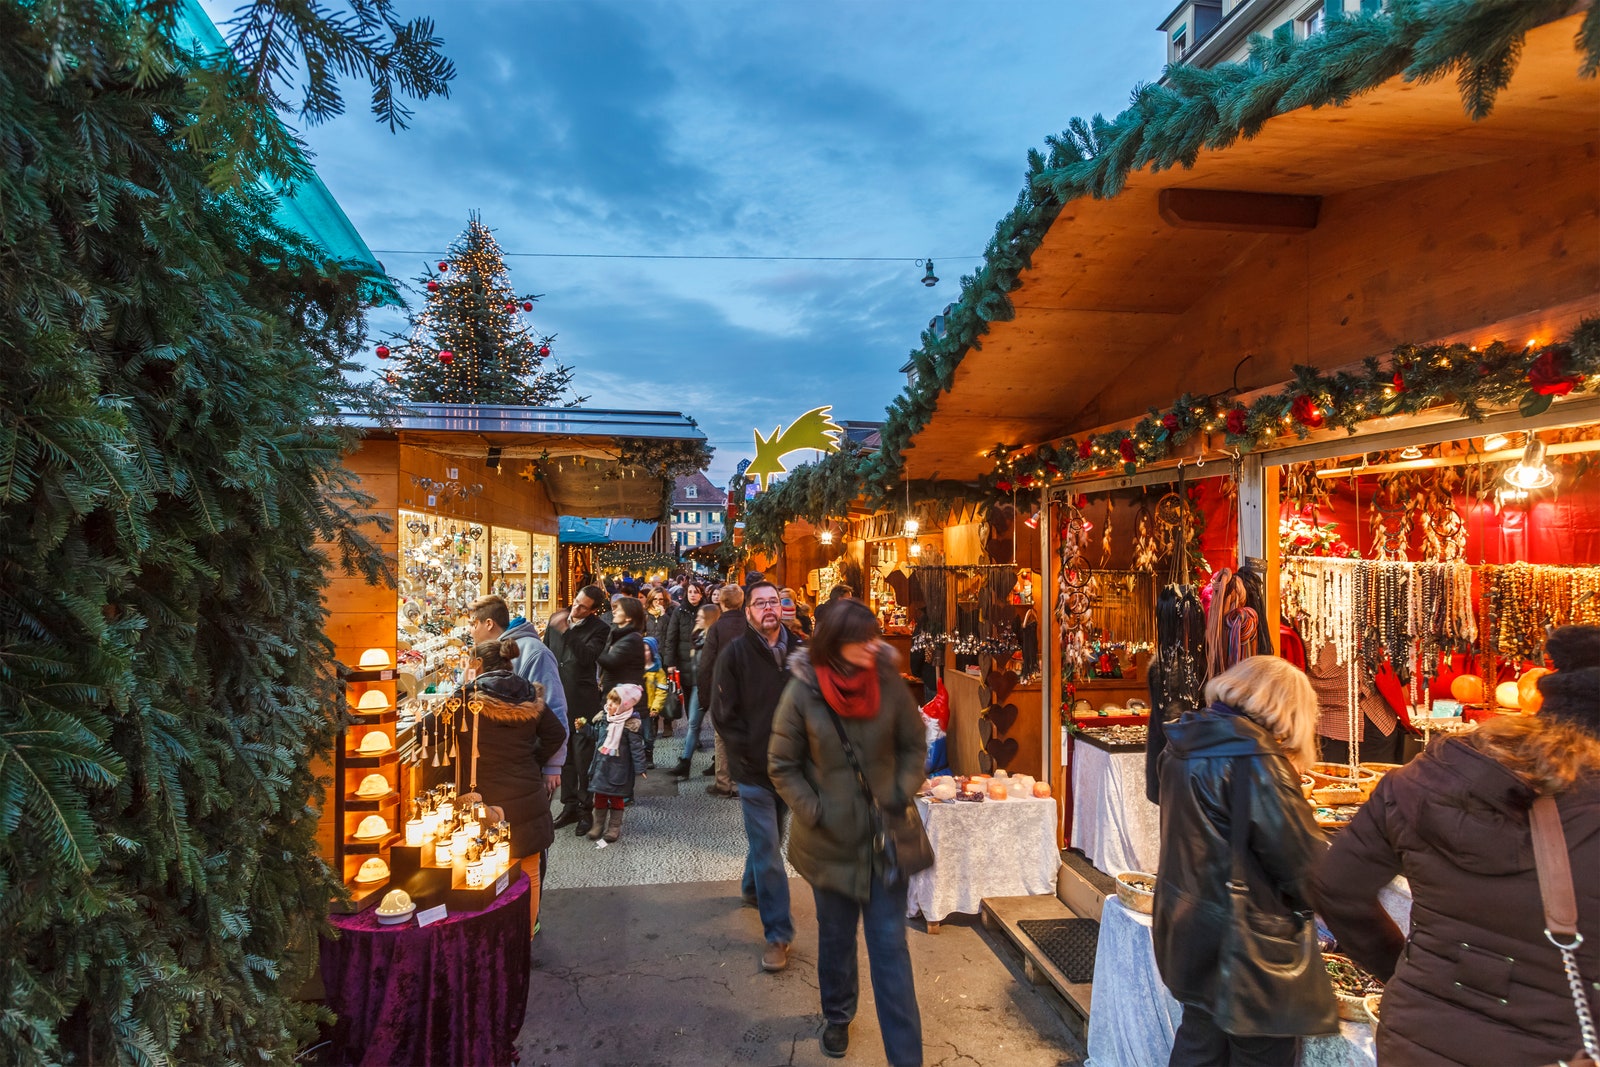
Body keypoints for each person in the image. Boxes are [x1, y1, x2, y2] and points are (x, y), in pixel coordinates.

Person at [1314, 625, 1600, 1066]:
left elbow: (1335, 885)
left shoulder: (1422, 778)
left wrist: (1408, 970)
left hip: (1418, 1034)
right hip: (1554, 1046)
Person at [1153, 655, 1337, 1066]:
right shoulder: (1255, 758)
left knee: (1199, 1045)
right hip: (1248, 949)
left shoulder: (1188, 739)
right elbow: (1305, 869)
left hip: (1189, 928)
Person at [768, 598, 927, 1065]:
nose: (875, 646)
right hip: (829, 844)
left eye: (876, 636)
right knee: (836, 940)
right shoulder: (802, 692)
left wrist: (898, 792)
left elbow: (915, 744)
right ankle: (838, 1015)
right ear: (836, 645)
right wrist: (815, 810)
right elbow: (781, 764)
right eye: (864, 640)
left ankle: (907, 1057)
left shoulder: (890, 684)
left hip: (886, 840)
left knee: (890, 947)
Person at [713, 580, 803, 971]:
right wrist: (744, 756)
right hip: (753, 770)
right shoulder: (735, 654)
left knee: (769, 838)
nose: (770, 607)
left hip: (793, 769)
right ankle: (778, 935)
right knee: (769, 849)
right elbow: (723, 714)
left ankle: (751, 889)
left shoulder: (802, 651)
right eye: (760, 603)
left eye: (775, 601)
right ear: (748, 611)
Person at [448, 637, 567, 925]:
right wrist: (532, 760)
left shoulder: (464, 701)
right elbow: (556, 733)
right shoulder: (528, 695)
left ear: (475, 666)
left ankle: (495, 940)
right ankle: (526, 935)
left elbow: (435, 735)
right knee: (530, 873)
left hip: (486, 801)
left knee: (484, 874)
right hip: (528, 798)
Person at [467, 595, 568, 803]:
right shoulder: (485, 654)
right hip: (497, 765)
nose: (470, 630)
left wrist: (552, 765)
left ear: (488, 624)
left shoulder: (534, 652)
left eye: (473, 624)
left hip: (526, 762)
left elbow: (555, 706)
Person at [553, 586, 610, 836]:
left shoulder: (600, 629)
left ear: (593, 610)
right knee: (563, 755)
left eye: (582, 607)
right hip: (558, 697)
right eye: (575, 602)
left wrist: (567, 633)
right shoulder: (557, 619)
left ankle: (587, 809)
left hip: (583, 699)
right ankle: (569, 805)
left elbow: (588, 658)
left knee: (583, 756)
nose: (576, 609)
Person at [698, 584, 747, 797]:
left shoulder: (717, 628)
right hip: (748, 688)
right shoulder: (750, 624)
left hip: (723, 688)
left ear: (721, 602)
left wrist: (704, 694)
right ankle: (739, 783)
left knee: (722, 736)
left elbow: (707, 662)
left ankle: (723, 782)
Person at [586, 684, 648, 842]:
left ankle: (614, 827)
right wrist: (584, 728)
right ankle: (598, 825)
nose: (609, 705)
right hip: (601, 766)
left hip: (618, 769)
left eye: (614, 703)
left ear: (624, 706)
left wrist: (641, 767)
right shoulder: (603, 719)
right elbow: (596, 736)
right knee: (599, 796)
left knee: (616, 798)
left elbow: (636, 748)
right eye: (609, 701)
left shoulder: (630, 725)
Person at [672, 603, 722, 780]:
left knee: (719, 728)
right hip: (697, 686)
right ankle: (685, 762)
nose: (697, 618)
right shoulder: (697, 636)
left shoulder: (715, 639)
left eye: (701, 616)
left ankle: (719, 762)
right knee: (693, 723)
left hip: (712, 688)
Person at [664, 581, 707, 776]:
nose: (692, 595)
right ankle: (694, 732)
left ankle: (694, 732)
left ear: (701, 594)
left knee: (699, 699)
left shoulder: (707, 612)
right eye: (690, 592)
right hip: (684, 661)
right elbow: (671, 637)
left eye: (696, 592)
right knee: (689, 696)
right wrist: (670, 662)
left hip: (701, 662)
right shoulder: (679, 612)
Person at [642, 635, 672, 754]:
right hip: (635, 707)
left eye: (647, 650)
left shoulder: (658, 671)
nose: (644, 653)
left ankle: (649, 754)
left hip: (649, 707)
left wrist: (655, 707)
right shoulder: (635, 668)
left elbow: (661, 691)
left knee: (648, 736)